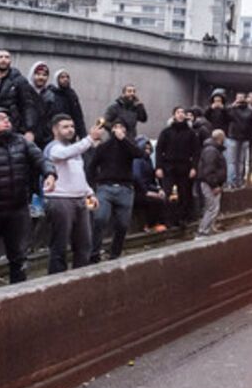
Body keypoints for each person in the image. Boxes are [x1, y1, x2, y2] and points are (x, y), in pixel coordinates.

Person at [0, 107, 56, 291]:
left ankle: (17, 294)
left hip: (17, 209)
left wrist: (50, 174)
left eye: (7, 118)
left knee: (18, 256)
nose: (6, 121)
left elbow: (41, 159)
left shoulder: (20, 141)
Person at [43, 115, 101, 273]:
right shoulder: (53, 147)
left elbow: (79, 174)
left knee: (84, 244)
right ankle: (56, 281)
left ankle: (80, 278)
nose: (70, 130)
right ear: (55, 129)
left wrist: (89, 193)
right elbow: (64, 154)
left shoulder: (76, 148)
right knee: (60, 245)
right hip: (60, 200)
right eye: (65, 127)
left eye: (72, 126)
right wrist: (89, 139)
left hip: (80, 200)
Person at [89, 119, 141, 263]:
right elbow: (92, 166)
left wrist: (124, 140)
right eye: (115, 127)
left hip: (126, 189)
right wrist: (91, 187)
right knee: (100, 218)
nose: (118, 129)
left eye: (121, 127)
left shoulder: (129, 145)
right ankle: (94, 253)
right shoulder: (104, 147)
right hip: (105, 187)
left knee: (123, 224)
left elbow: (139, 154)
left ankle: (115, 253)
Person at [0, 50, 38, 143]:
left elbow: (28, 105)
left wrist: (29, 130)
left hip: (13, 127)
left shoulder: (19, 80)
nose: (4, 60)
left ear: (10, 61)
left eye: (7, 57)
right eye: (0, 57)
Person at [155, 106, 201, 228]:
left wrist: (194, 168)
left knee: (184, 194)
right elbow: (159, 150)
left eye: (183, 112)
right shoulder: (166, 132)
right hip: (168, 167)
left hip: (184, 167)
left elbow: (196, 152)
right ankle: (167, 219)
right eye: (178, 112)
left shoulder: (191, 133)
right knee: (167, 193)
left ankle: (182, 219)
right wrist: (158, 167)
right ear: (174, 115)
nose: (181, 115)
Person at [132, 136, 168, 233]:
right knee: (154, 201)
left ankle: (160, 223)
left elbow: (151, 180)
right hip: (138, 192)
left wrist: (158, 189)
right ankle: (151, 224)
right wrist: (146, 192)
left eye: (149, 148)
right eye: (145, 148)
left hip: (146, 189)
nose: (148, 150)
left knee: (162, 198)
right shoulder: (137, 160)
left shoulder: (148, 161)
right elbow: (136, 177)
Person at [196, 130, 228, 237]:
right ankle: (203, 231)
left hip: (210, 182)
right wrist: (214, 185)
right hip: (210, 184)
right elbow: (209, 170)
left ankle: (207, 229)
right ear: (221, 139)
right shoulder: (212, 151)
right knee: (212, 208)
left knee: (211, 207)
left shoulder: (210, 149)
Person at [225, 92, 252, 188]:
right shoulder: (232, 109)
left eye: (241, 97)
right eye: (238, 98)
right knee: (232, 161)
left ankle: (239, 181)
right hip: (233, 137)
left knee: (241, 161)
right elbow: (225, 115)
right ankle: (231, 181)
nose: (239, 99)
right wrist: (232, 106)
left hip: (245, 138)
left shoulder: (251, 111)